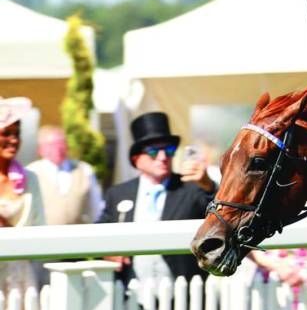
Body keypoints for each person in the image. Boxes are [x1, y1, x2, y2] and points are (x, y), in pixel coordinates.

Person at [97, 112, 216, 284]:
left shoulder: (192, 188)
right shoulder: (118, 194)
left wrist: (208, 185)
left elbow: (222, 212)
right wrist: (108, 252)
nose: (162, 157)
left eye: (168, 150)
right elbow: (100, 232)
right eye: (153, 151)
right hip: (132, 294)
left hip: (184, 294)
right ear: (136, 160)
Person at [0, 98, 45, 292]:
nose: (14, 140)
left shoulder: (31, 179)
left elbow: (40, 228)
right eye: (6, 134)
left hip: (19, 277)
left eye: (17, 134)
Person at [26, 125, 104, 225]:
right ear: (40, 149)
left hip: (77, 236)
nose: (57, 149)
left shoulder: (84, 169)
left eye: (61, 143)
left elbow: (95, 208)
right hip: (43, 237)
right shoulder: (31, 172)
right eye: (51, 145)